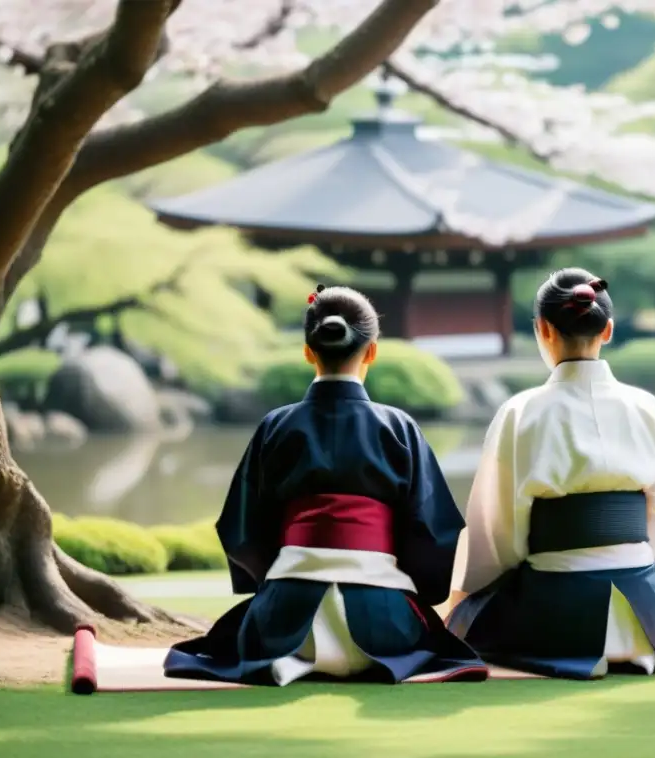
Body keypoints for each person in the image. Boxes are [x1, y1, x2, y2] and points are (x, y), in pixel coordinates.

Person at [164, 285, 487, 686]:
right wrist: (407, 585)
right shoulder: (399, 427)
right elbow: (434, 531)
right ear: (371, 351)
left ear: (307, 351)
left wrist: (278, 578)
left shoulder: (274, 427)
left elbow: (240, 529)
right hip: (385, 625)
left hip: (282, 625)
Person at [447, 268, 655, 679]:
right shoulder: (648, 408)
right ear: (607, 330)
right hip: (647, 613)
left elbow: (498, 530)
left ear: (543, 329)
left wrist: (469, 598)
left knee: (468, 622)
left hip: (555, 612)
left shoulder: (520, 412)